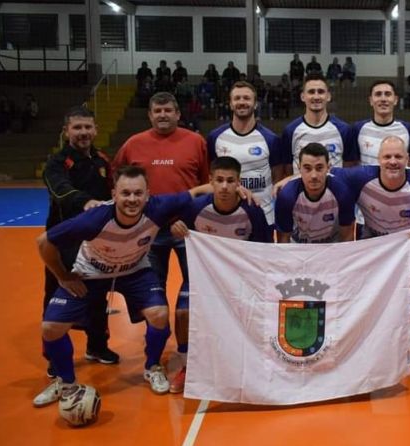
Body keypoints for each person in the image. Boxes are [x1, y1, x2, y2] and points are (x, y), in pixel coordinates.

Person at [34, 165, 210, 412]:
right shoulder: (94, 219)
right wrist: (63, 276)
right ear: (114, 194)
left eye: (138, 193)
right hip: (91, 273)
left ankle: (152, 367)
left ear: (148, 194)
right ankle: (66, 383)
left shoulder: (157, 208)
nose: (132, 199)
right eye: (125, 194)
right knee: (51, 328)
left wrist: (238, 190)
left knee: (159, 314)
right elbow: (44, 242)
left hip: (134, 270)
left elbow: (197, 192)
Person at [113, 92, 210, 379]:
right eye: (158, 110)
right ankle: (153, 353)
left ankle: (189, 346)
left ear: (178, 114)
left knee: (195, 290)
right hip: (148, 233)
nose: (163, 115)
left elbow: (205, 183)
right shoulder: (134, 144)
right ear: (150, 115)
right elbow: (118, 181)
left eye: (168, 110)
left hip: (187, 231)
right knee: (152, 293)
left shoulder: (195, 142)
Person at [334, 136, 410, 367]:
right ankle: (368, 347)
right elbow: (323, 172)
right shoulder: (361, 177)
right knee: (366, 300)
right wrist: (289, 179)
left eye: (398, 156)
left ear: (407, 158)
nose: (393, 161)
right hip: (375, 251)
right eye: (387, 157)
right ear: (378, 160)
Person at [33, 107, 117, 407]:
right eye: (77, 128)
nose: (83, 133)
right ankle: (55, 361)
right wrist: (87, 203)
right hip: (64, 241)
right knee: (56, 295)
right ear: (67, 131)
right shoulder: (57, 163)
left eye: (88, 127)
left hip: (96, 242)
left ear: (95, 129)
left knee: (96, 295)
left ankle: (97, 346)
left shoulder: (103, 160)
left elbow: (115, 191)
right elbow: (62, 192)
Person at [168, 156, 272, 393]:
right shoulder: (196, 208)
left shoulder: (253, 211)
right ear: (211, 181)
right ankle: (186, 366)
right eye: (220, 180)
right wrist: (175, 229)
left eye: (230, 181)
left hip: (242, 277)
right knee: (183, 312)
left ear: (239, 183)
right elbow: (174, 227)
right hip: (205, 275)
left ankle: (255, 363)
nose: (224, 187)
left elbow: (265, 251)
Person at [347, 80, 410, 348]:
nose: (383, 98)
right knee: (368, 278)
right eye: (378, 94)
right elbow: (351, 168)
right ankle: (370, 329)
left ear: (396, 99)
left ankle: (409, 325)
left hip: (401, 217)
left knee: (406, 277)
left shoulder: (408, 129)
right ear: (370, 100)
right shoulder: (357, 129)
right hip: (368, 216)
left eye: (388, 93)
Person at [206, 81, 287, 225]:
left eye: (246, 98)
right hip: (227, 218)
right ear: (230, 104)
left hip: (264, 217)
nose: (242, 102)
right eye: (237, 98)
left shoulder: (271, 139)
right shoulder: (215, 137)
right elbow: (211, 177)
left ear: (255, 104)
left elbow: (277, 177)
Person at [275, 143, 355, 244]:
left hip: (331, 247)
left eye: (319, 168)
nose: (314, 175)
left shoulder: (342, 193)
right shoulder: (287, 197)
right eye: (307, 168)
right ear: (299, 169)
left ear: (328, 168)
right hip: (299, 248)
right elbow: (283, 240)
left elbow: (347, 236)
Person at [280, 73, 353, 173]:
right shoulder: (290, 131)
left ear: (328, 96)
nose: (316, 96)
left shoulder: (344, 130)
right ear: (302, 97)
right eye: (311, 92)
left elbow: (348, 169)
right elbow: (287, 170)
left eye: (321, 92)